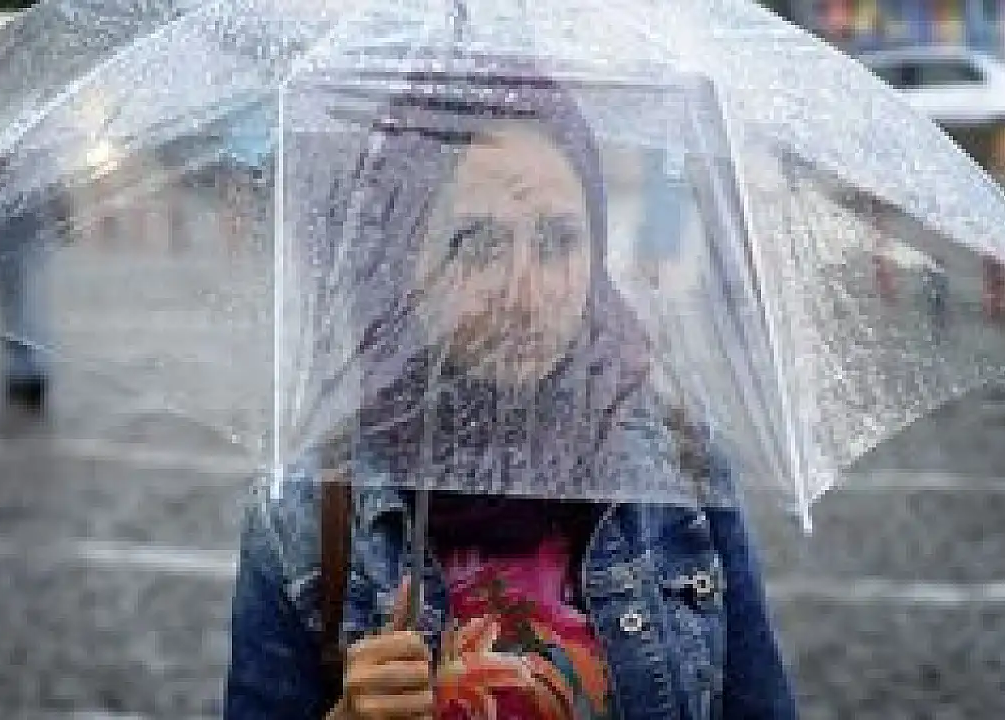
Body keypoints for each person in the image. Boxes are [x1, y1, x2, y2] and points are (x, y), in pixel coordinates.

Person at [225, 70, 798, 720]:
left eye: (558, 241)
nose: (525, 295)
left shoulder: (678, 469)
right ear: (400, 257)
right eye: (478, 243)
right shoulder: (308, 514)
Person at [0, 153, 52, 410]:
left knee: (19, 301)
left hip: (16, 229)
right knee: (20, 302)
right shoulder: (32, 153)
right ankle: (28, 370)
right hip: (20, 228)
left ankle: (27, 371)